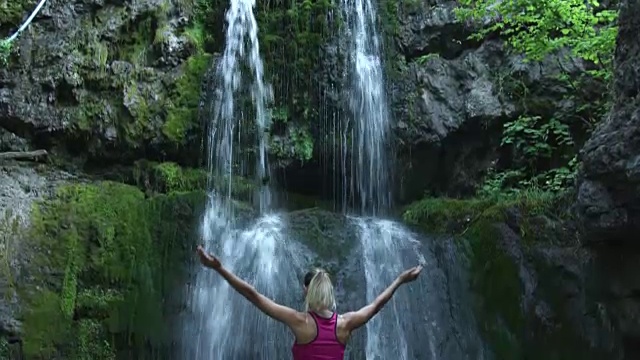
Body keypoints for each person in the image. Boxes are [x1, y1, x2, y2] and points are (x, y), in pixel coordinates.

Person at [196, 245, 423, 360]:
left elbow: (253, 295)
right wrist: (401, 279)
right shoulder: (345, 324)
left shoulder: (300, 322)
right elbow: (377, 304)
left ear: (307, 291)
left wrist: (219, 268)